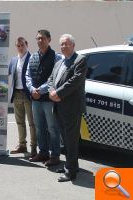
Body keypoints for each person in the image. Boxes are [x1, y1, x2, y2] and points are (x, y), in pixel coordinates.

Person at [48, 34, 87, 182]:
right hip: (58, 106)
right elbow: (51, 79)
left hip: (72, 108)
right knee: (65, 140)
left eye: (67, 44)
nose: (64, 46)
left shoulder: (80, 60)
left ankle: (70, 172)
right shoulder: (59, 62)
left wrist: (58, 93)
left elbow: (75, 80)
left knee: (71, 141)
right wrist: (52, 91)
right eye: (62, 44)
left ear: (73, 45)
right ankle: (71, 166)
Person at [25, 30, 62, 166]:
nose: (40, 41)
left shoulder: (56, 57)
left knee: (52, 128)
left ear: (49, 39)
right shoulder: (33, 56)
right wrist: (31, 89)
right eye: (38, 38)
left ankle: (55, 155)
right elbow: (27, 75)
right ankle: (43, 153)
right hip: (35, 99)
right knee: (39, 127)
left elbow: (56, 78)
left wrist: (40, 90)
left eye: (43, 38)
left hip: (49, 100)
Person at [8, 37, 37, 157]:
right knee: (19, 122)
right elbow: (9, 74)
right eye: (18, 46)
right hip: (16, 94)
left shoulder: (32, 59)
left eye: (22, 45)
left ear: (27, 45)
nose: (20, 48)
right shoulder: (14, 60)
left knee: (32, 123)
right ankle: (22, 145)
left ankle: (34, 147)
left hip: (28, 95)